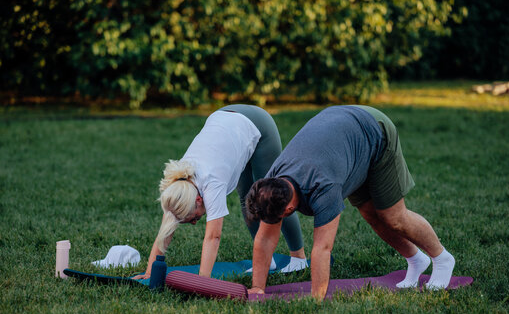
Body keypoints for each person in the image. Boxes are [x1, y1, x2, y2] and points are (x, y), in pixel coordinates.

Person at [245, 105, 456, 300]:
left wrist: (315, 299)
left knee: (394, 217)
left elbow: (323, 248)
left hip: (374, 130)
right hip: (345, 139)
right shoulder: (271, 185)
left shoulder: (322, 188)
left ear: (289, 209)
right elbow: (265, 240)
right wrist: (257, 288)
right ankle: (417, 260)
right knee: (371, 214)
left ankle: (442, 258)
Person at [133, 104, 307, 280]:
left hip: (257, 123)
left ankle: (298, 257)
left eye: (194, 218)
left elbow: (213, 237)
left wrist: (202, 281)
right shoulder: (178, 191)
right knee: (248, 200)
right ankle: (265, 260)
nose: (194, 223)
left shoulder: (212, 182)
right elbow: (165, 231)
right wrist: (149, 272)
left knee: (274, 196)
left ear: (199, 199)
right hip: (229, 126)